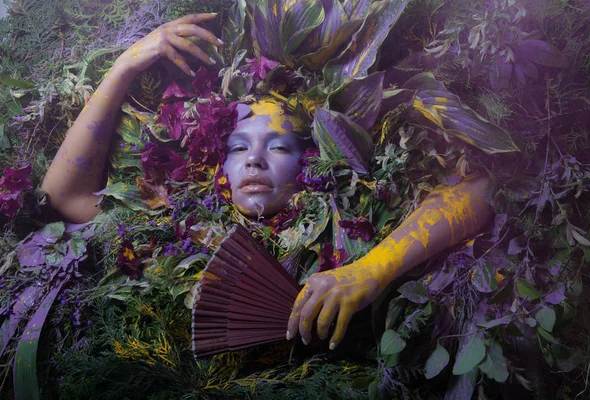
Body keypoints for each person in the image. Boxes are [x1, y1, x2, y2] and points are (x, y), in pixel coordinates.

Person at [41, 13, 492, 353]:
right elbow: (64, 195)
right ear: (218, 167)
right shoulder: (176, 227)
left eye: (277, 147)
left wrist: (372, 269)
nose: (254, 158)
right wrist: (123, 67)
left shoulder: (355, 213)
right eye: (238, 147)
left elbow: (482, 189)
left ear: (311, 160)